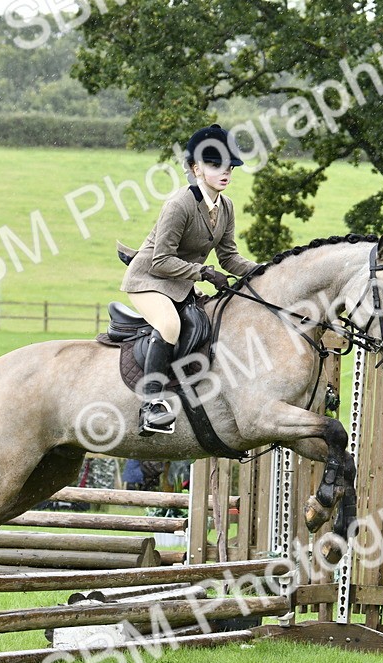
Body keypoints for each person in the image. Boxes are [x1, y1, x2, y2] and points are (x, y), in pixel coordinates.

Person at [120, 123, 257, 436]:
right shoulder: (179, 204)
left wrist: (265, 270)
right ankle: (151, 403)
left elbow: (229, 258)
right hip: (149, 280)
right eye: (215, 165)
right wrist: (203, 273)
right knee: (170, 325)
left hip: (179, 284)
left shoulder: (226, 207)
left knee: (201, 324)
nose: (225, 173)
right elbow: (160, 259)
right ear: (196, 169)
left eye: (230, 167)